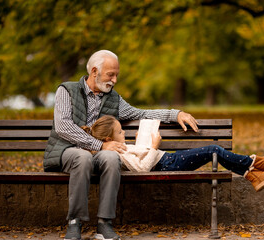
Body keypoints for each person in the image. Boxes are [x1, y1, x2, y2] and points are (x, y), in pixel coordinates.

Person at [43, 50, 199, 240]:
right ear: (94, 72)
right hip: (67, 150)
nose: (115, 80)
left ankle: (104, 224)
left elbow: (140, 113)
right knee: (83, 156)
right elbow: (63, 126)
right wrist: (99, 145)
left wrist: (175, 114)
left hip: (99, 153)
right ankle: (75, 222)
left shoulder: (113, 99)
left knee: (111, 157)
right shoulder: (66, 90)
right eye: (111, 74)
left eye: (116, 74)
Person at [82, 115, 264, 192]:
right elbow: (142, 168)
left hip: (167, 159)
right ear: (107, 140)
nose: (123, 132)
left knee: (213, 151)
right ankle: (255, 164)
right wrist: (153, 146)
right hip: (167, 163)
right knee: (213, 150)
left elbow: (139, 159)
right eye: (120, 132)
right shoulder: (116, 154)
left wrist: (141, 144)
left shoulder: (117, 148)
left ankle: (254, 173)